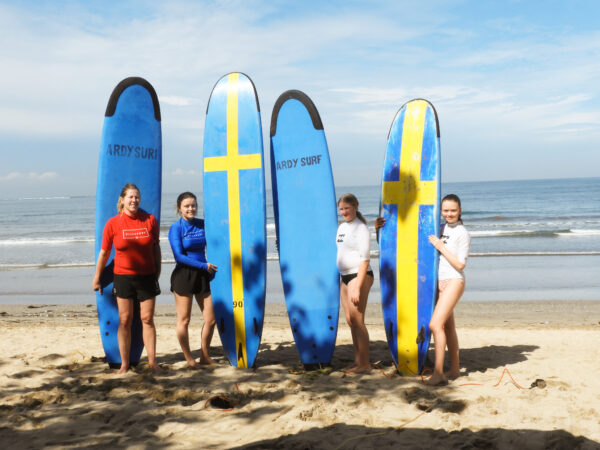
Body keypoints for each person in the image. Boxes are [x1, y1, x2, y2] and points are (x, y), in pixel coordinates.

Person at [92, 183, 163, 374]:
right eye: (130, 197)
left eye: (137, 197)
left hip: (146, 277)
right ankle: (124, 364)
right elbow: (104, 253)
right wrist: (97, 277)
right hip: (123, 277)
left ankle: (152, 362)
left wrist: (158, 269)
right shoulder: (113, 223)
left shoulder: (149, 220)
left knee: (147, 319)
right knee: (125, 320)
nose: (134, 200)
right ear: (122, 200)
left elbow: (156, 247)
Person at [425, 194, 471, 385]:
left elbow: (460, 264)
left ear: (460, 211)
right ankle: (454, 369)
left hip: (454, 281)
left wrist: (441, 247)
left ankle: (438, 373)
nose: (449, 214)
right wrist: (379, 227)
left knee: (434, 325)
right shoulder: (441, 228)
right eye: (445, 210)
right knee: (448, 326)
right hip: (440, 282)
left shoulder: (462, 233)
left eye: (453, 210)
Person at [168, 192, 217, 368]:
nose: (191, 209)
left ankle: (205, 355)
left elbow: (219, 237)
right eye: (187, 206)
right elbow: (179, 256)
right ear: (179, 208)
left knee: (211, 319)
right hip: (185, 275)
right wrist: (204, 266)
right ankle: (189, 358)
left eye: (193, 205)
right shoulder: (176, 228)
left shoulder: (202, 224)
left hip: (203, 275)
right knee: (184, 320)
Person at [336, 193, 374, 373]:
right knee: (351, 320)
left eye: (347, 208)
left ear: (355, 207)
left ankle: (365, 364)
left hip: (359, 276)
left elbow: (365, 259)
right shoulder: (342, 227)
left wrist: (357, 287)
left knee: (358, 321)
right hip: (344, 276)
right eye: (341, 209)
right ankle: (358, 360)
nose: (344, 212)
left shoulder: (361, 229)